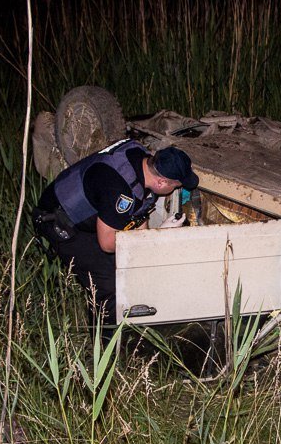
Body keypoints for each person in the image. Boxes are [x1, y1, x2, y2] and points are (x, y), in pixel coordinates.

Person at [32, 138, 199, 336]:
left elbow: (138, 215)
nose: (178, 189)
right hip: (61, 221)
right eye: (177, 186)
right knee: (110, 286)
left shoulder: (140, 158)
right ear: (161, 182)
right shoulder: (120, 194)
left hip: (94, 210)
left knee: (128, 267)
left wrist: (153, 237)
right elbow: (108, 244)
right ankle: (105, 353)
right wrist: (152, 241)